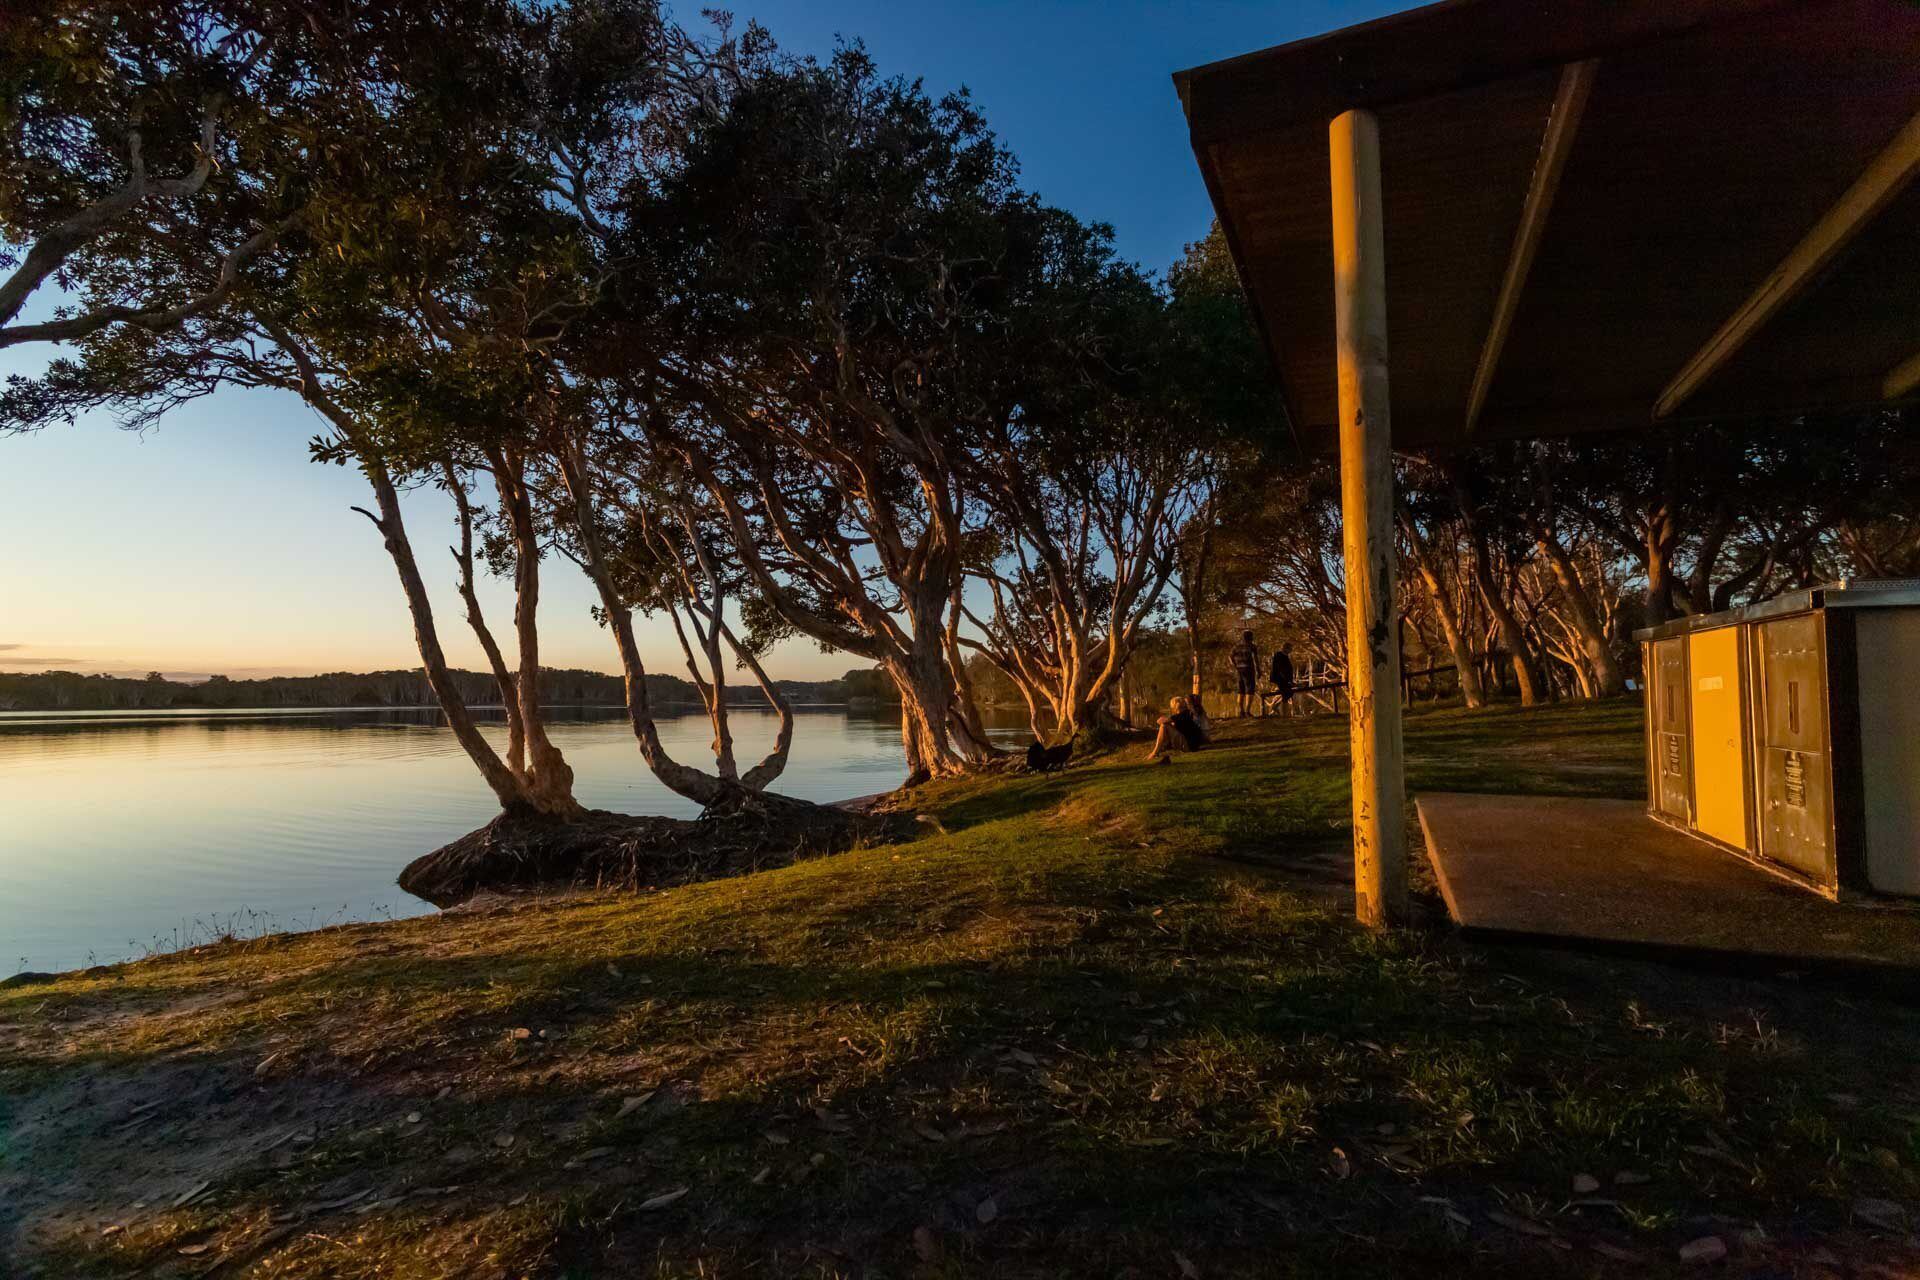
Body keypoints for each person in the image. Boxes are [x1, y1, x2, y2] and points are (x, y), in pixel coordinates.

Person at [1148, 695, 1208, 762]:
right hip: (1192, 745)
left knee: (1164, 726)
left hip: (1188, 746)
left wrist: (1169, 723)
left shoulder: (1182, 715)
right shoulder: (1187, 714)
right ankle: (1161, 750)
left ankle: (1155, 752)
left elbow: (1159, 721)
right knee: (1167, 727)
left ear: (1175, 707)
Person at [1229, 629, 1261, 717]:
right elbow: (1255, 659)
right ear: (1251, 637)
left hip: (1239, 670)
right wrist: (1258, 670)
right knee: (1249, 690)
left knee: (1241, 690)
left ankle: (1241, 711)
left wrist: (1235, 666)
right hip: (1249, 669)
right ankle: (1247, 711)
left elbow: (1230, 656)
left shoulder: (1236, 646)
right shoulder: (1252, 646)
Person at [1268, 641, 1296, 716]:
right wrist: (1287, 680)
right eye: (1290, 648)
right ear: (1285, 648)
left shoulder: (1285, 656)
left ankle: (1277, 708)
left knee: (1288, 693)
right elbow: (1280, 669)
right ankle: (1284, 714)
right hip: (1280, 679)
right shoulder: (1279, 656)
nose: (1291, 650)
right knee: (1286, 694)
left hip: (1285, 679)